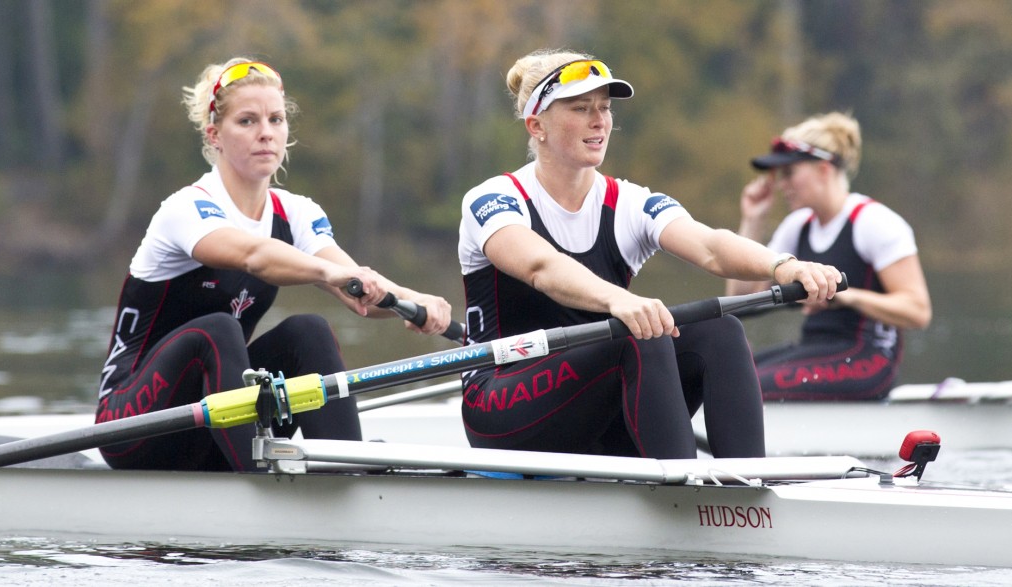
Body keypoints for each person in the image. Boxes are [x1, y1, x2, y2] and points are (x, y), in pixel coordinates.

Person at [457, 49, 842, 460]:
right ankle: (683, 492)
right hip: (501, 405)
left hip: (599, 411)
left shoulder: (627, 202)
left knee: (722, 330)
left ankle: (746, 494)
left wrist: (783, 265)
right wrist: (619, 300)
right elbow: (540, 267)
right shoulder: (493, 199)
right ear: (537, 126)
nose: (599, 120)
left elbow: (710, 247)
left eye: (604, 108)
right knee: (639, 336)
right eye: (581, 108)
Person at [95, 58, 452, 471]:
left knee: (309, 330)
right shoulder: (186, 208)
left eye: (276, 119)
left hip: (217, 424)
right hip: (134, 427)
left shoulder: (296, 213)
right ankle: (257, 476)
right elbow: (254, 256)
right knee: (219, 329)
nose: (265, 132)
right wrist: (328, 273)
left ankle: (349, 472)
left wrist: (414, 299)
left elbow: (361, 294)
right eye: (247, 121)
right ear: (215, 136)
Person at [726, 112, 931, 401]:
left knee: (743, 389)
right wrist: (752, 221)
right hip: (814, 349)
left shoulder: (874, 222)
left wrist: (844, 297)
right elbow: (741, 299)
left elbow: (918, 311)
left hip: (868, 358)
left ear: (823, 169)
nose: (782, 184)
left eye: (789, 173)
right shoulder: (797, 227)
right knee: (726, 376)